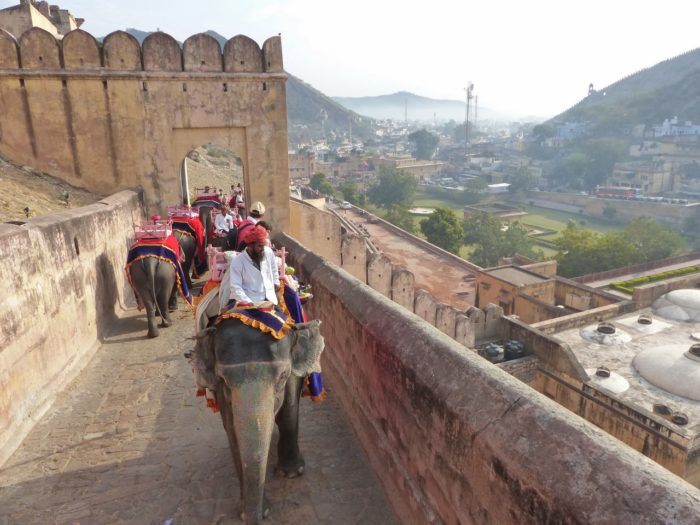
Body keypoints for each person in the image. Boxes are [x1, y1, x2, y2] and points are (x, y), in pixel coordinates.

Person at [227, 225, 280, 308]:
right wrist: (248, 302)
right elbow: (235, 287)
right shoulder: (238, 261)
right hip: (249, 300)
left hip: (269, 298)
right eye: (259, 246)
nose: (263, 249)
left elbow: (274, 269)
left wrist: (276, 282)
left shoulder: (268, 252)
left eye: (263, 245)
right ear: (250, 246)